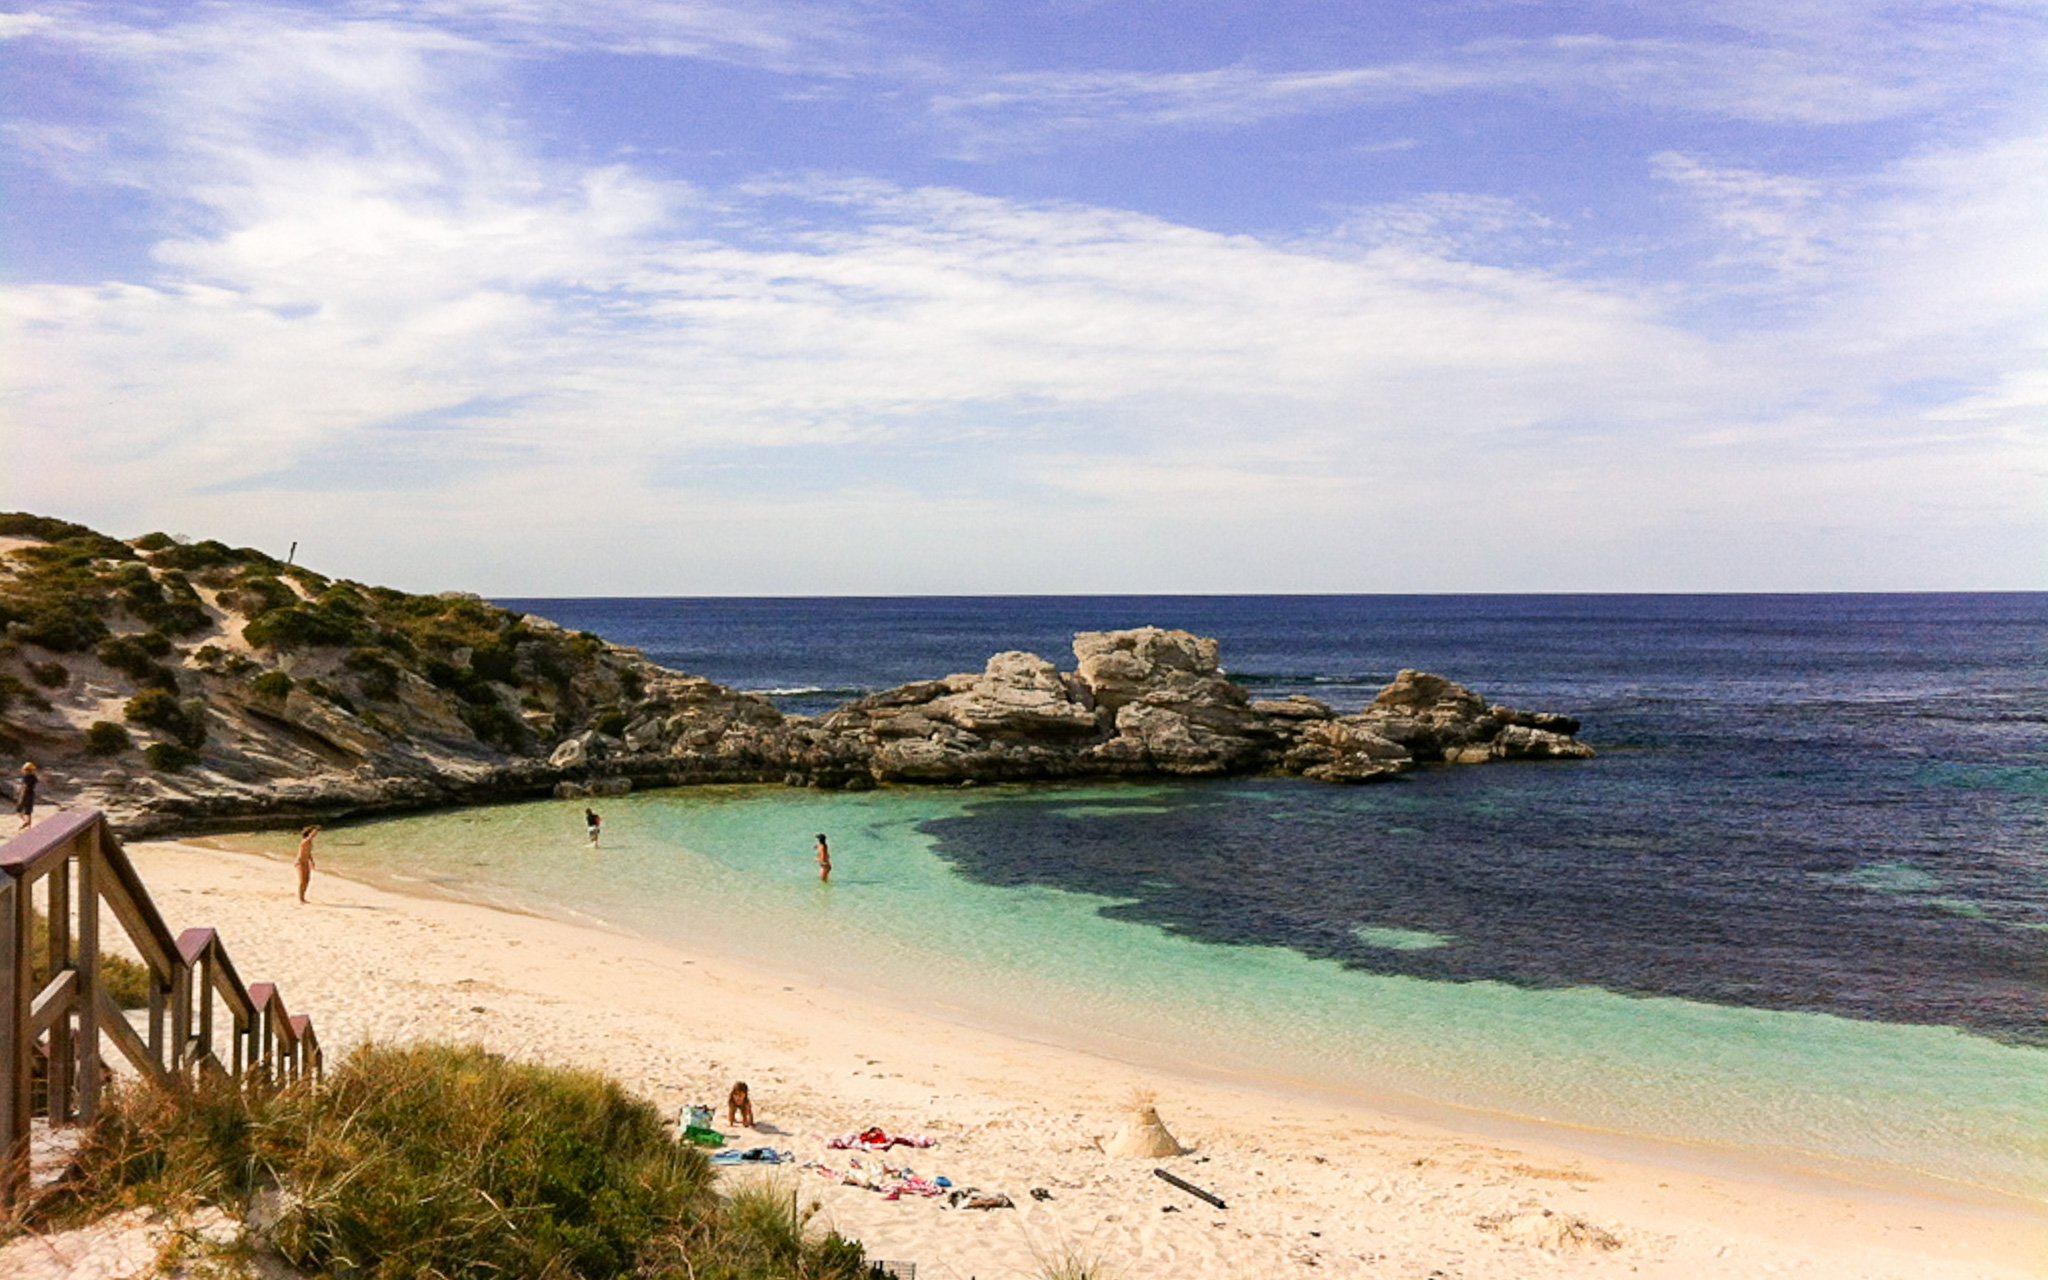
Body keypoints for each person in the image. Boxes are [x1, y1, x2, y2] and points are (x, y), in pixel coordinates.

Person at [295, 825, 319, 903]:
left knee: (307, 880)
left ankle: (303, 897)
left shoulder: (309, 842)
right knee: (302, 881)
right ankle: (300, 898)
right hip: (300, 863)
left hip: (305, 862)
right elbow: (306, 841)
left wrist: (311, 861)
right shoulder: (304, 841)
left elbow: (308, 853)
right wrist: (310, 836)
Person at [14, 763, 37, 831]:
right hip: (31, 794)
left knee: (18, 810)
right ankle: (29, 825)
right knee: (28, 811)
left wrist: (21, 797)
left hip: (26, 794)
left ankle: (24, 822)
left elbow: (24, 787)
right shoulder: (34, 777)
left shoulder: (26, 777)